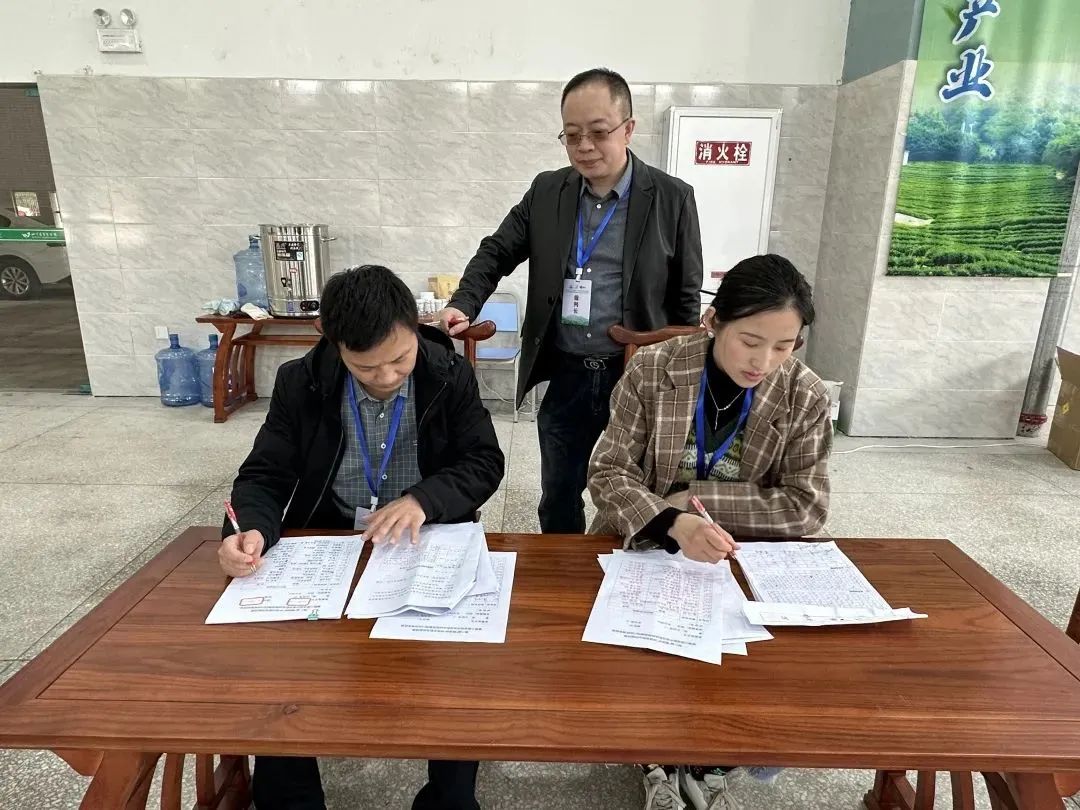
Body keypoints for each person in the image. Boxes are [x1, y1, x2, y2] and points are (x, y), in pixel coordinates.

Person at [219, 264, 504, 810]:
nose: (387, 376)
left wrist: (423, 500)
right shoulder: (302, 382)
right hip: (330, 538)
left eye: (400, 359)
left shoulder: (448, 373)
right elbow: (265, 474)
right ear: (334, 343)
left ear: (414, 328)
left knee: (455, 673)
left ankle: (448, 799)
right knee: (283, 671)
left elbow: (483, 462)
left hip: (426, 539)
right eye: (365, 367)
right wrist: (250, 528)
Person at [588, 254, 831, 810]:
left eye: (784, 346)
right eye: (750, 341)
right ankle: (655, 755)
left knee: (756, 668)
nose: (764, 361)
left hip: (740, 555)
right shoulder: (654, 369)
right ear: (713, 321)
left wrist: (697, 501)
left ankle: (711, 759)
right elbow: (607, 473)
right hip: (643, 541)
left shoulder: (805, 394)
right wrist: (670, 520)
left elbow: (807, 506)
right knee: (641, 655)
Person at [437, 67, 703, 533]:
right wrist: (464, 302)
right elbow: (497, 250)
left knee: (638, 490)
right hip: (566, 372)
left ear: (628, 129)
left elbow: (686, 297)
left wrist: (680, 376)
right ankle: (564, 568)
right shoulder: (547, 191)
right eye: (572, 134)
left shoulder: (671, 197)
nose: (584, 146)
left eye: (598, 133)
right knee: (559, 493)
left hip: (637, 374)